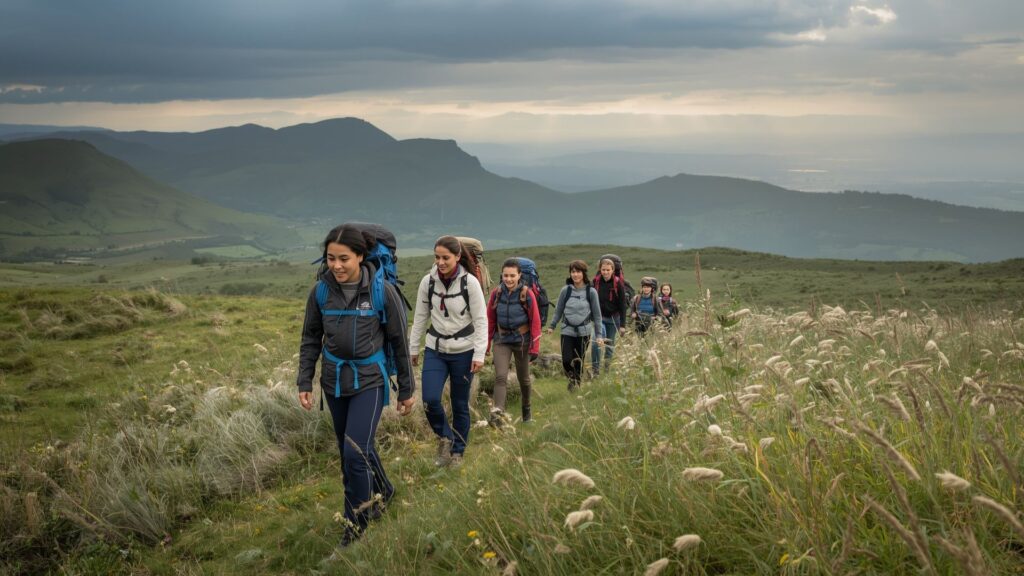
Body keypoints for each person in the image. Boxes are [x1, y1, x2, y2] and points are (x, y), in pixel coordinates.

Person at [297, 224, 416, 548]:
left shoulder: (381, 291)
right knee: (355, 450)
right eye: (330, 258)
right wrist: (304, 379)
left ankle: (357, 528)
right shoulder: (320, 292)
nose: (336, 265)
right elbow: (310, 338)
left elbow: (398, 341)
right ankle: (384, 491)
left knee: (354, 454)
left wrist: (407, 389)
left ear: (361, 257)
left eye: (344, 259)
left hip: (370, 381)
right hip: (334, 382)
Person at [408, 236, 489, 469]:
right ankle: (445, 437)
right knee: (430, 399)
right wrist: (414, 348)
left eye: (445, 258)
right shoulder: (428, 282)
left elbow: (481, 320)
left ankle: (457, 453)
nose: (440, 262)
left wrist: (479, 354)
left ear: (457, 257)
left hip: (464, 350)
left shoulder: (469, 283)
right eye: (437, 257)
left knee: (459, 403)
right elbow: (421, 317)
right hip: (436, 349)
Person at [486, 258, 542, 426]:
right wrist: (486, 345)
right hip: (501, 340)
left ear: (519, 276)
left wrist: (535, 348)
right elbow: (490, 320)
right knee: (500, 376)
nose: (508, 279)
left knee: (523, 379)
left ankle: (526, 411)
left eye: (512, 275)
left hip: (522, 341)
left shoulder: (527, 293)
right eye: (505, 276)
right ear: (501, 276)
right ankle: (498, 415)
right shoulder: (496, 293)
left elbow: (535, 322)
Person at [546, 260, 604, 391]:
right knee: (566, 360)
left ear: (583, 273)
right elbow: (558, 310)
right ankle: (571, 377)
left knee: (579, 360)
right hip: (567, 330)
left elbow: (597, 315)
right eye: (573, 272)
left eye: (578, 272)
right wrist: (552, 325)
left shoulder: (591, 292)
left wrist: (599, 335)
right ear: (570, 273)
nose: (575, 274)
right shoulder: (565, 291)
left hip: (584, 332)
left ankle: (575, 385)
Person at [591, 257, 628, 376]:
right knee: (596, 342)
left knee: (609, 346)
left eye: (608, 270)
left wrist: (623, 325)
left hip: (613, 319)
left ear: (613, 270)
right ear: (600, 270)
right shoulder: (595, 282)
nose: (605, 272)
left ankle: (606, 370)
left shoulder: (618, 284)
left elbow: (623, 305)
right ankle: (595, 370)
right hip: (599, 319)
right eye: (603, 270)